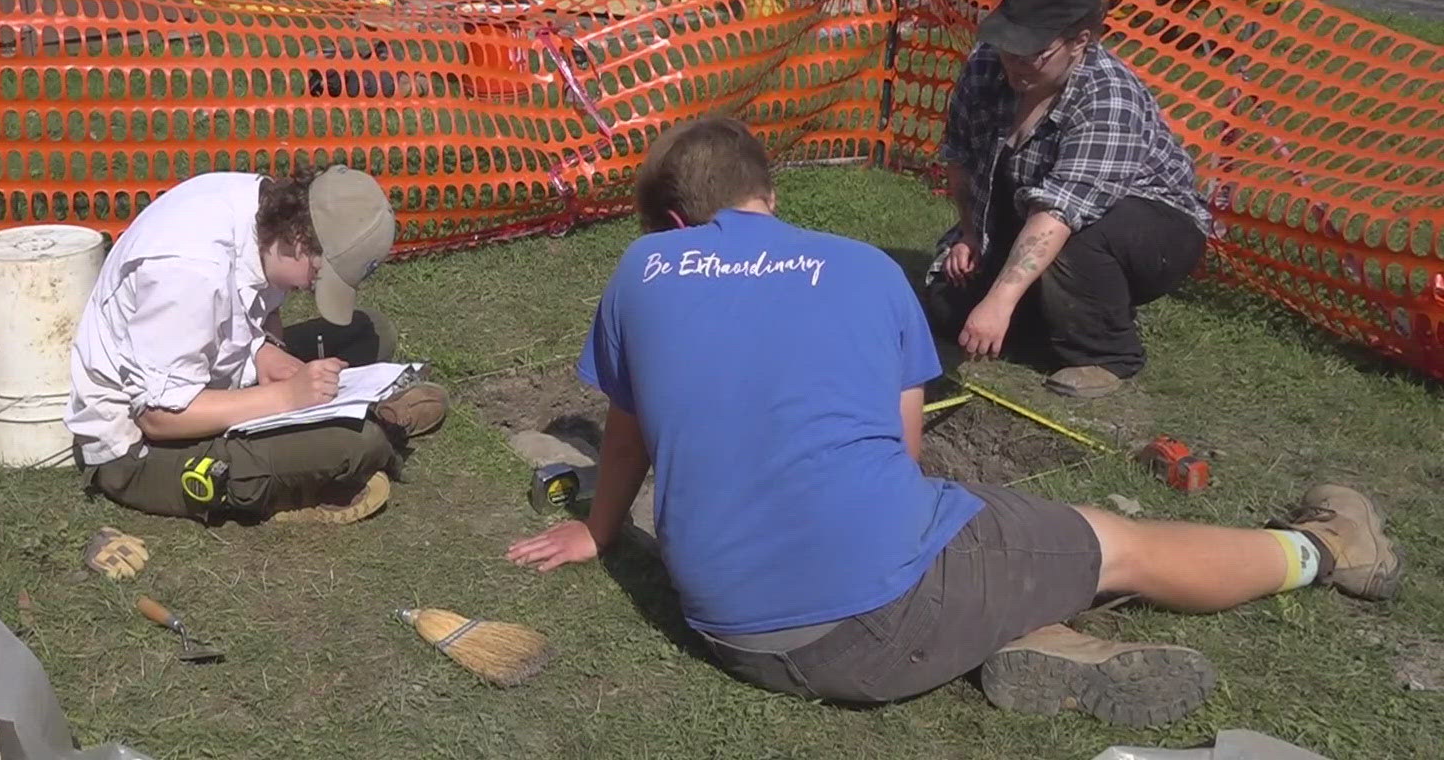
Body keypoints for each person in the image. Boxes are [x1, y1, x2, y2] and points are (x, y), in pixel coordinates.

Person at [507, 116, 1398, 727]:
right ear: (767, 195)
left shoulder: (642, 269)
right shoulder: (863, 268)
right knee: (1108, 541)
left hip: (725, 628)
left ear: (671, 221)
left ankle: (1030, 631)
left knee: (969, 561)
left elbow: (625, 432)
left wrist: (599, 529)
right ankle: (1329, 550)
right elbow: (905, 453)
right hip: (861, 631)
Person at [68, 165, 447, 524]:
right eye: (316, 278)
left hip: (212, 372)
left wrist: (264, 352)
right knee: (360, 445)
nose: (307, 289)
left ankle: (341, 418)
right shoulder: (189, 274)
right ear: (299, 242)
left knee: (372, 331)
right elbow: (158, 417)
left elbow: (253, 311)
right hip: (139, 448)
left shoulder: (263, 208)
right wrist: (286, 398)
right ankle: (358, 434)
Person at [925, 0, 1214, 400]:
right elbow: (961, 155)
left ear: (1080, 42)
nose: (1014, 63)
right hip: (1033, 207)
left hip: (1147, 223)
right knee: (948, 307)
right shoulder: (986, 66)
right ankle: (1050, 319)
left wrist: (1000, 302)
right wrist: (969, 235)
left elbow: (1059, 212)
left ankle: (1107, 353)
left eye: (1032, 53)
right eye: (1008, 47)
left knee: (1076, 241)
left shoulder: (1108, 98)